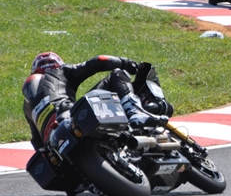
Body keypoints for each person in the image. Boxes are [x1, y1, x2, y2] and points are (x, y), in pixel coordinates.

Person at [22, 52, 170, 151]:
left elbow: (36, 142)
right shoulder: (60, 71)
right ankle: (134, 111)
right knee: (117, 74)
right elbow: (99, 61)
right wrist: (125, 63)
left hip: (54, 145)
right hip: (71, 117)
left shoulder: (27, 105)